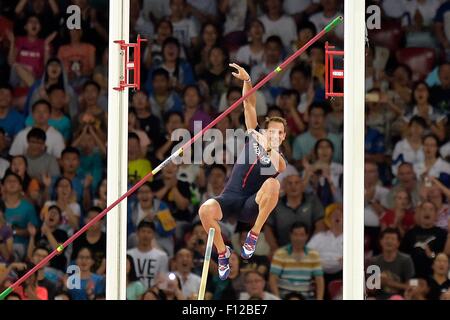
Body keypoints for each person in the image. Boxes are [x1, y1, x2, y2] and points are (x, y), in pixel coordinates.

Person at [198, 63, 287, 280]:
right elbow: (248, 103)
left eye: (280, 133)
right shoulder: (255, 133)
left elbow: (278, 165)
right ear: (266, 130)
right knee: (205, 210)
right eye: (271, 131)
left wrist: (264, 143)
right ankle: (222, 252)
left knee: (273, 184)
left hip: (251, 206)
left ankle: (254, 233)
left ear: (283, 137)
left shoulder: (279, 158)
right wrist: (247, 81)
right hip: (230, 198)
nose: (275, 135)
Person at [269, 222, 324, 300]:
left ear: (306, 236)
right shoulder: (280, 253)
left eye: (302, 235)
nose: (298, 238)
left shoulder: (314, 255)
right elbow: (273, 278)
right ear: (290, 235)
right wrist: (277, 298)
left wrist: (319, 298)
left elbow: (319, 279)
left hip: (306, 296)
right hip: (284, 296)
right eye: (295, 234)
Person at [370, 228, 415, 299]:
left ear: (398, 243)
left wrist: (389, 283)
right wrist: (378, 281)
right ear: (380, 241)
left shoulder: (406, 260)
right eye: (387, 238)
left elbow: (412, 286)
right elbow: (370, 290)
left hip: (400, 297)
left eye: (393, 239)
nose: (389, 241)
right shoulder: (374, 261)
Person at [127, 220, 169, 289]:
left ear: (153, 235)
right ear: (137, 233)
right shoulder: (128, 255)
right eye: (143, 231)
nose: (145, 235)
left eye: (149, 232)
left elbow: (162, 281)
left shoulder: (162, 256)